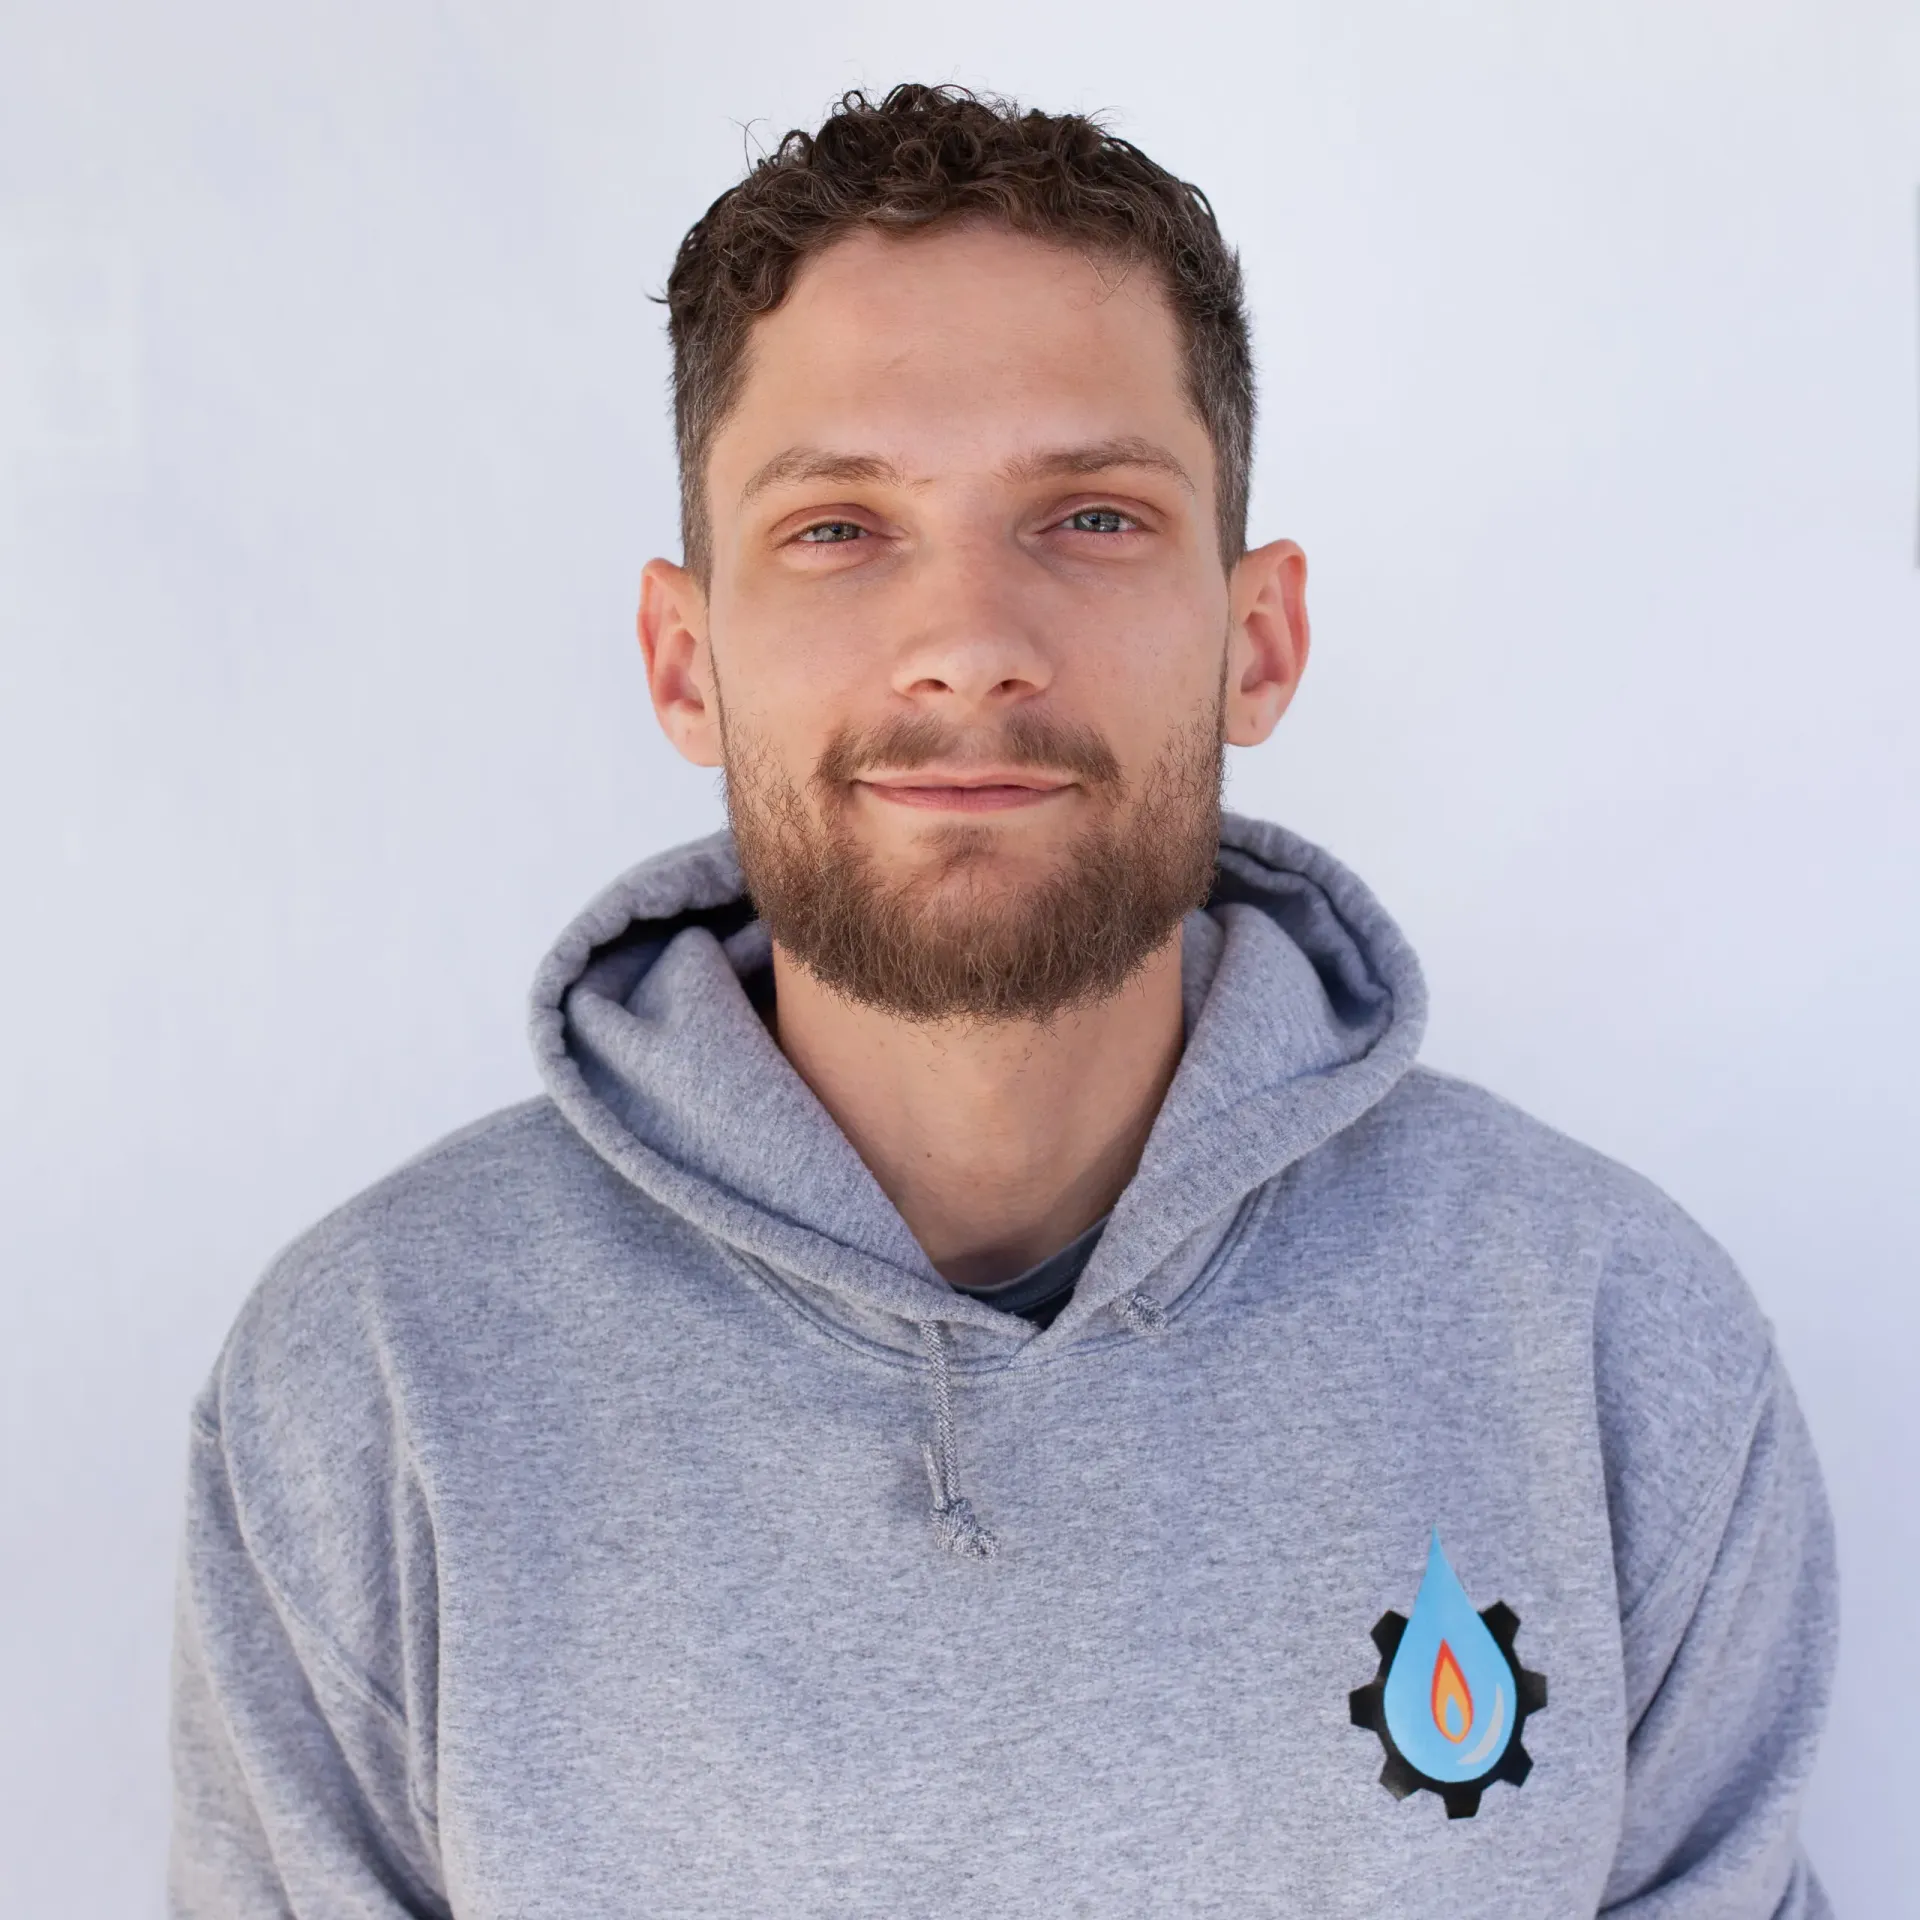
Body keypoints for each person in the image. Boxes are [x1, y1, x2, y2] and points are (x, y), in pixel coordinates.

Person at [168, 84, 1836, 1917]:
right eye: (838, 529)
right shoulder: (377, 1381)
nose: (969, 636)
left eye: (1094, 516)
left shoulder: (1608, 1341)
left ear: (1256, 636)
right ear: (683, 659)